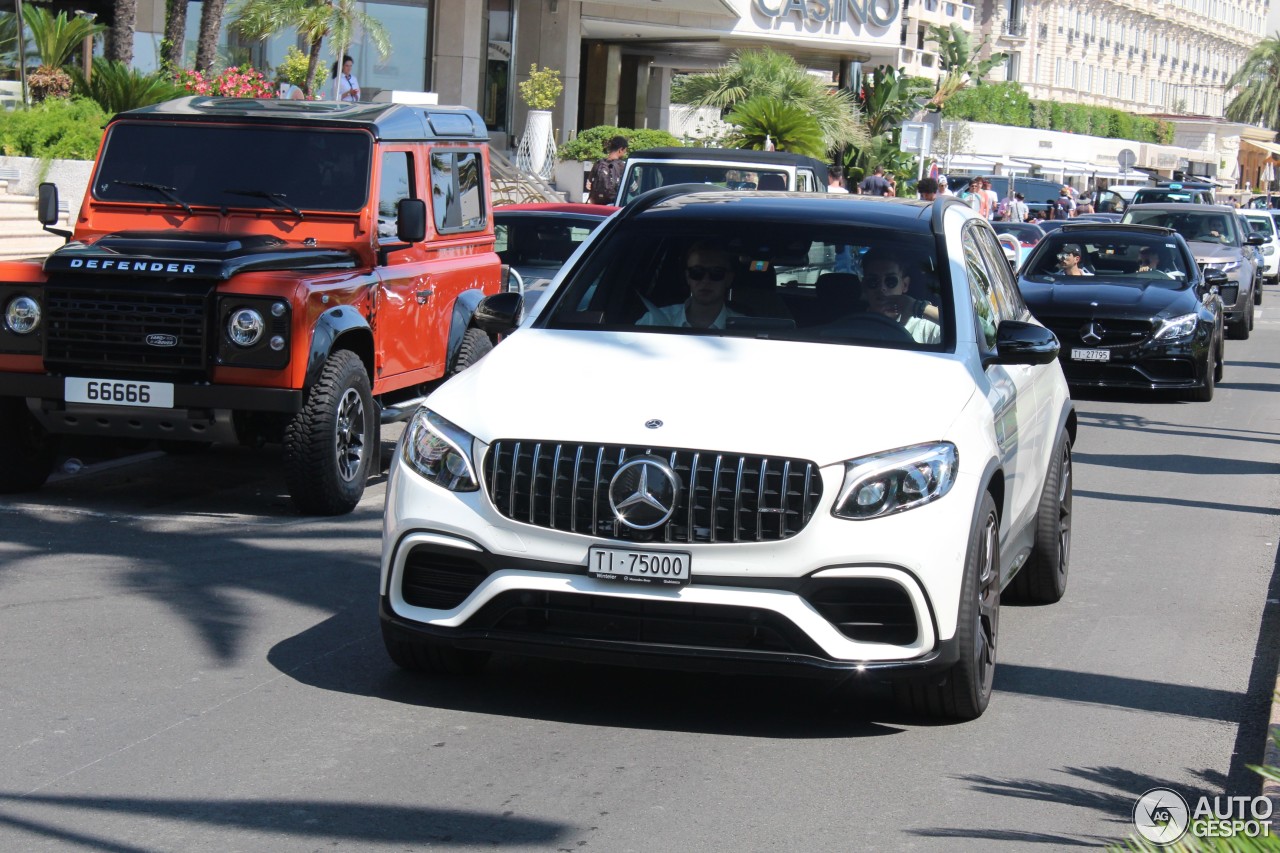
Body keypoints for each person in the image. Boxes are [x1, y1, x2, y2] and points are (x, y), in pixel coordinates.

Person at [636, 242, 743, 329]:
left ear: (729, 279)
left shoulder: (745, 328)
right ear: (688, 277)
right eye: (697, 272)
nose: (705, 280)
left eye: (716, 273)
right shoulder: (652, 321)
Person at [858, 251, 941, 343]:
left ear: (905, 285)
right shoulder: (853, 326)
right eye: (873, 281)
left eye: (890, 280)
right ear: (864, 286)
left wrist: (917, 307)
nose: (882, 287)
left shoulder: (924, 328)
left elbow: (958, 326)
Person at [586, 135, 627, 205]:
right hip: (613, 205)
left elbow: (589, 185)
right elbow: (632, 189)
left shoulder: (598, 164)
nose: (625, 153)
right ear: (620, 150)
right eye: (625, 151)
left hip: (596, 205)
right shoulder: (622, 166)